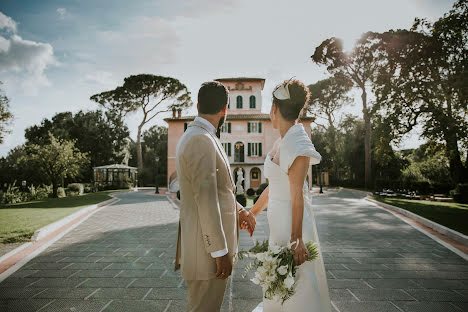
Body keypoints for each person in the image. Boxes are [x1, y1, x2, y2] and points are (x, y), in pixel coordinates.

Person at [249, 79, 332, 311]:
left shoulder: (299, 143)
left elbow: (296, 195)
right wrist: (252, 212)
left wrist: (296, 240)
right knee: (279, 280)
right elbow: (274, 187)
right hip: (278, 224)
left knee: (297, 281)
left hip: (294, 226)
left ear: (274, 109)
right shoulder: (281, 141)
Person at [174, 81, 256, 312]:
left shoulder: (202, 136)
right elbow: (206, 199)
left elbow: (219, 190)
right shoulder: (201, 139)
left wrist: (241, 211)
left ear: (198, 105)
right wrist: (220, 251)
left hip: (204, 249)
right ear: (225, 110)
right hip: (207, 253)